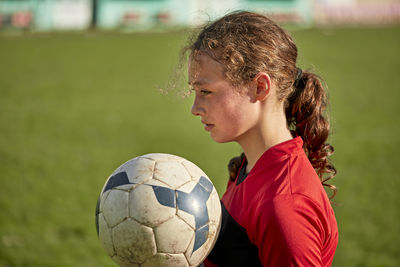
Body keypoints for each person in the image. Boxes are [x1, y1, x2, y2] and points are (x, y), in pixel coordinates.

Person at [185, 11, 339, 267]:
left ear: (260, 88)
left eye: (206, 91)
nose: (195, 108)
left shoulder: (286, 205)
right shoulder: (249, 167)